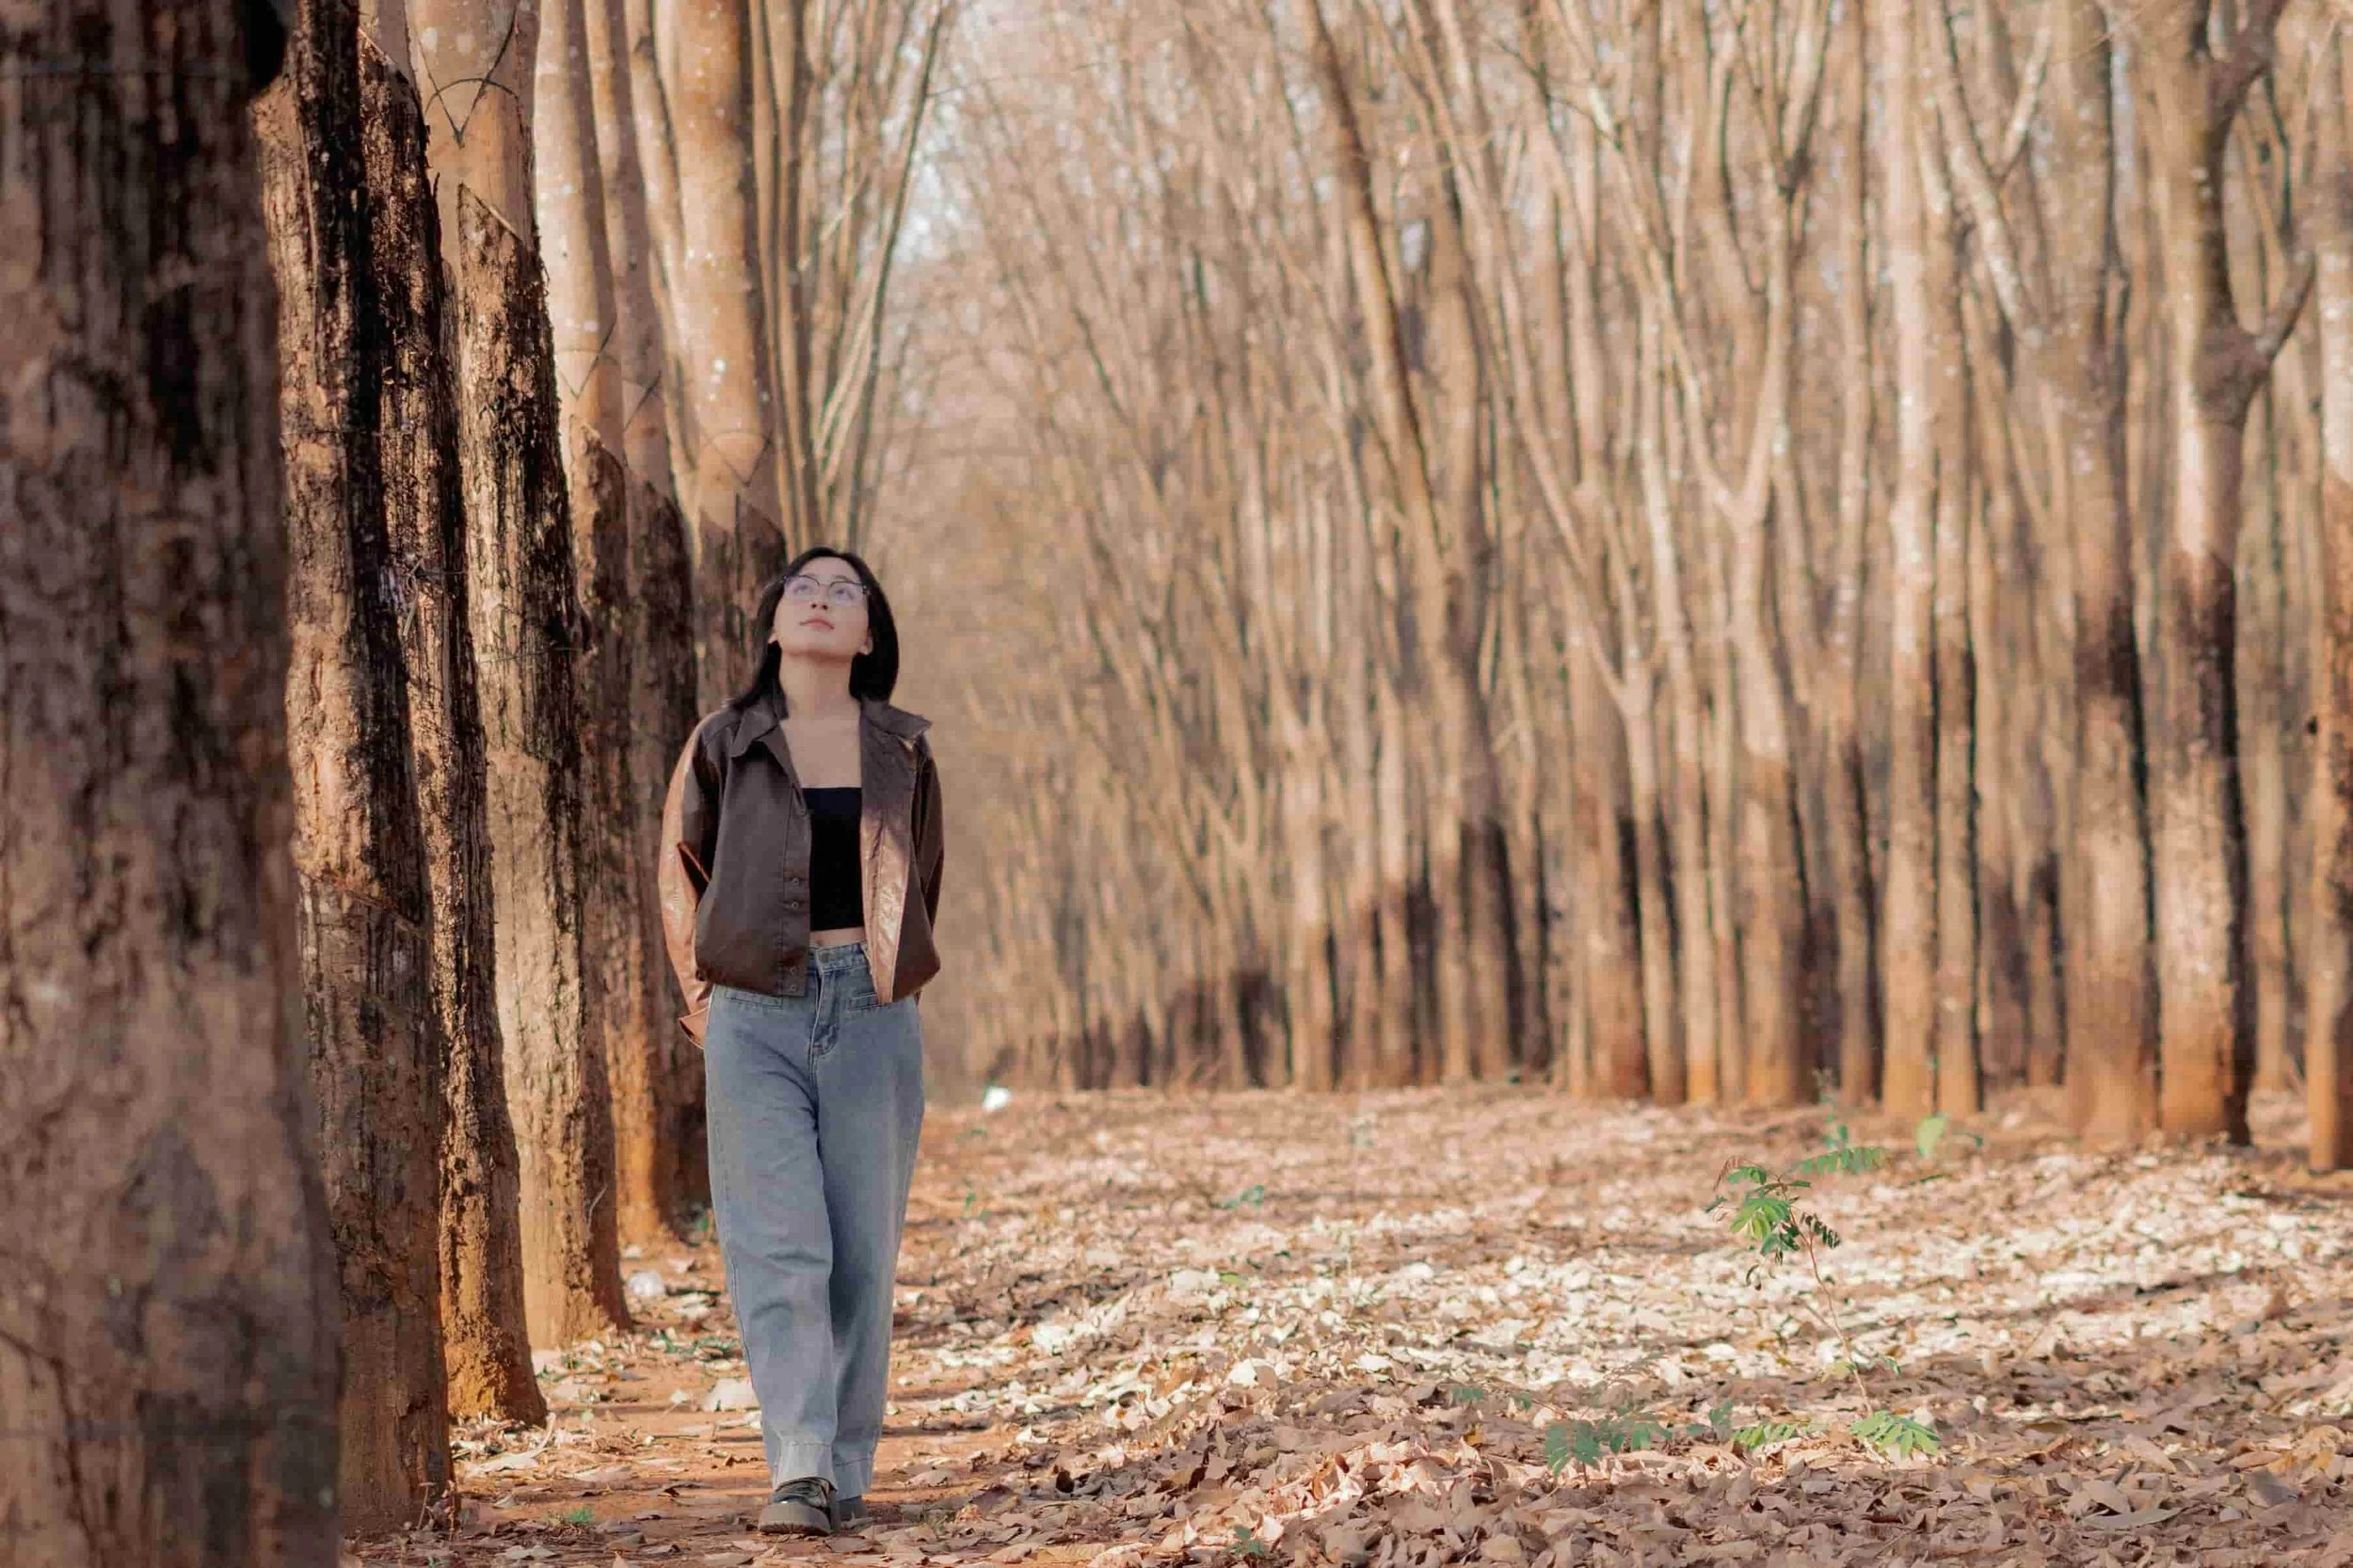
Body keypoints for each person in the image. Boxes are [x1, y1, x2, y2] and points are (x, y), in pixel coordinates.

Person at [658, 548, 946, 1536]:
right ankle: (799, 1465)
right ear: (775, 622)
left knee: (860, 1254)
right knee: (777, 1244)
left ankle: (845, 1464)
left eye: (845, 591)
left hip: (871, 1014)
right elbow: (681, 872)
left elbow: (922, 880)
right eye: (804, 588)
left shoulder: (903, 750)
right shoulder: (725, 741)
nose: (822, 600)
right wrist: (708, 1007)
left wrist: (889, 982)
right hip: (752, 1014)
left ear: (869, 635)